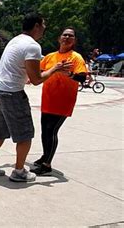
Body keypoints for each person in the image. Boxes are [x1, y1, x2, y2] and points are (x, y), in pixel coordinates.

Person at [0, 13, 71, 182]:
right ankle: (19, 171)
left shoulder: (16, 40)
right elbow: (36, 80)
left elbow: (27, 63)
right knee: (25, 134)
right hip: (11, 93)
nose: (44, 28)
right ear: (36, 25)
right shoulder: (33, 46)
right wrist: (55, 69)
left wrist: (51, 66)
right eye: (43, 25)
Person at [32, 27, 87, 175]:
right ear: (59, 38)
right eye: (65, 35)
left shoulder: (76, 57)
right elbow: (39, 72)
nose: (67, 37)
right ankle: (45, 156)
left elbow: (82, 77)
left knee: (52, 131)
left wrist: (69, 74)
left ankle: (47, 164)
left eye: (71, 36)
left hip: (64, 101)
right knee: (45, 131)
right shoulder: (50, 57)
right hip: (48, 99)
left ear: (74, 40)